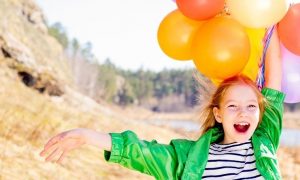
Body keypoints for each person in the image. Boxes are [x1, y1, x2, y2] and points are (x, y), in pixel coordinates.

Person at [39, 26, 284, 179]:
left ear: (260, 113)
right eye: (233, 106)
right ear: (218, 114)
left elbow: (273, 84)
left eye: (251, 106)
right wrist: (88, 136)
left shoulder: (265, 142)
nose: (243, 112)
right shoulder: (191, 158)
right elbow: (142, 153)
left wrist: (270, 21)